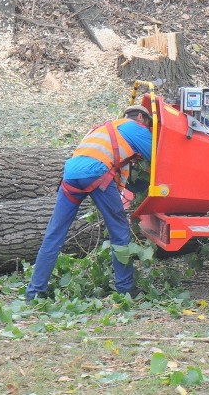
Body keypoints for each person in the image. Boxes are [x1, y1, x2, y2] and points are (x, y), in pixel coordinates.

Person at [26, 104, 153, 301]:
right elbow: (159, 156)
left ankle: (34, 292)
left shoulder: (100, 129)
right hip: (97, 175)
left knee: (54, 234)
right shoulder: (134, 127)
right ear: (142, 119)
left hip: (70, 176)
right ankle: (126, 288)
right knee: (119, 231)